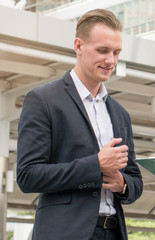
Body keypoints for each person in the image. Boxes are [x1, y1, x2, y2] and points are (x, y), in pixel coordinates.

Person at [16, 9, 143, 240]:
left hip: (113, 232)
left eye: (116, 52)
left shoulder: (120, 113)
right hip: (65, 232)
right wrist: (96, 165)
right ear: (78, 46)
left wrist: (123, 184)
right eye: (102, 51)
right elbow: (27, 175)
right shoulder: (43, 100)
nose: (111, 60)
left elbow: (135, 181)